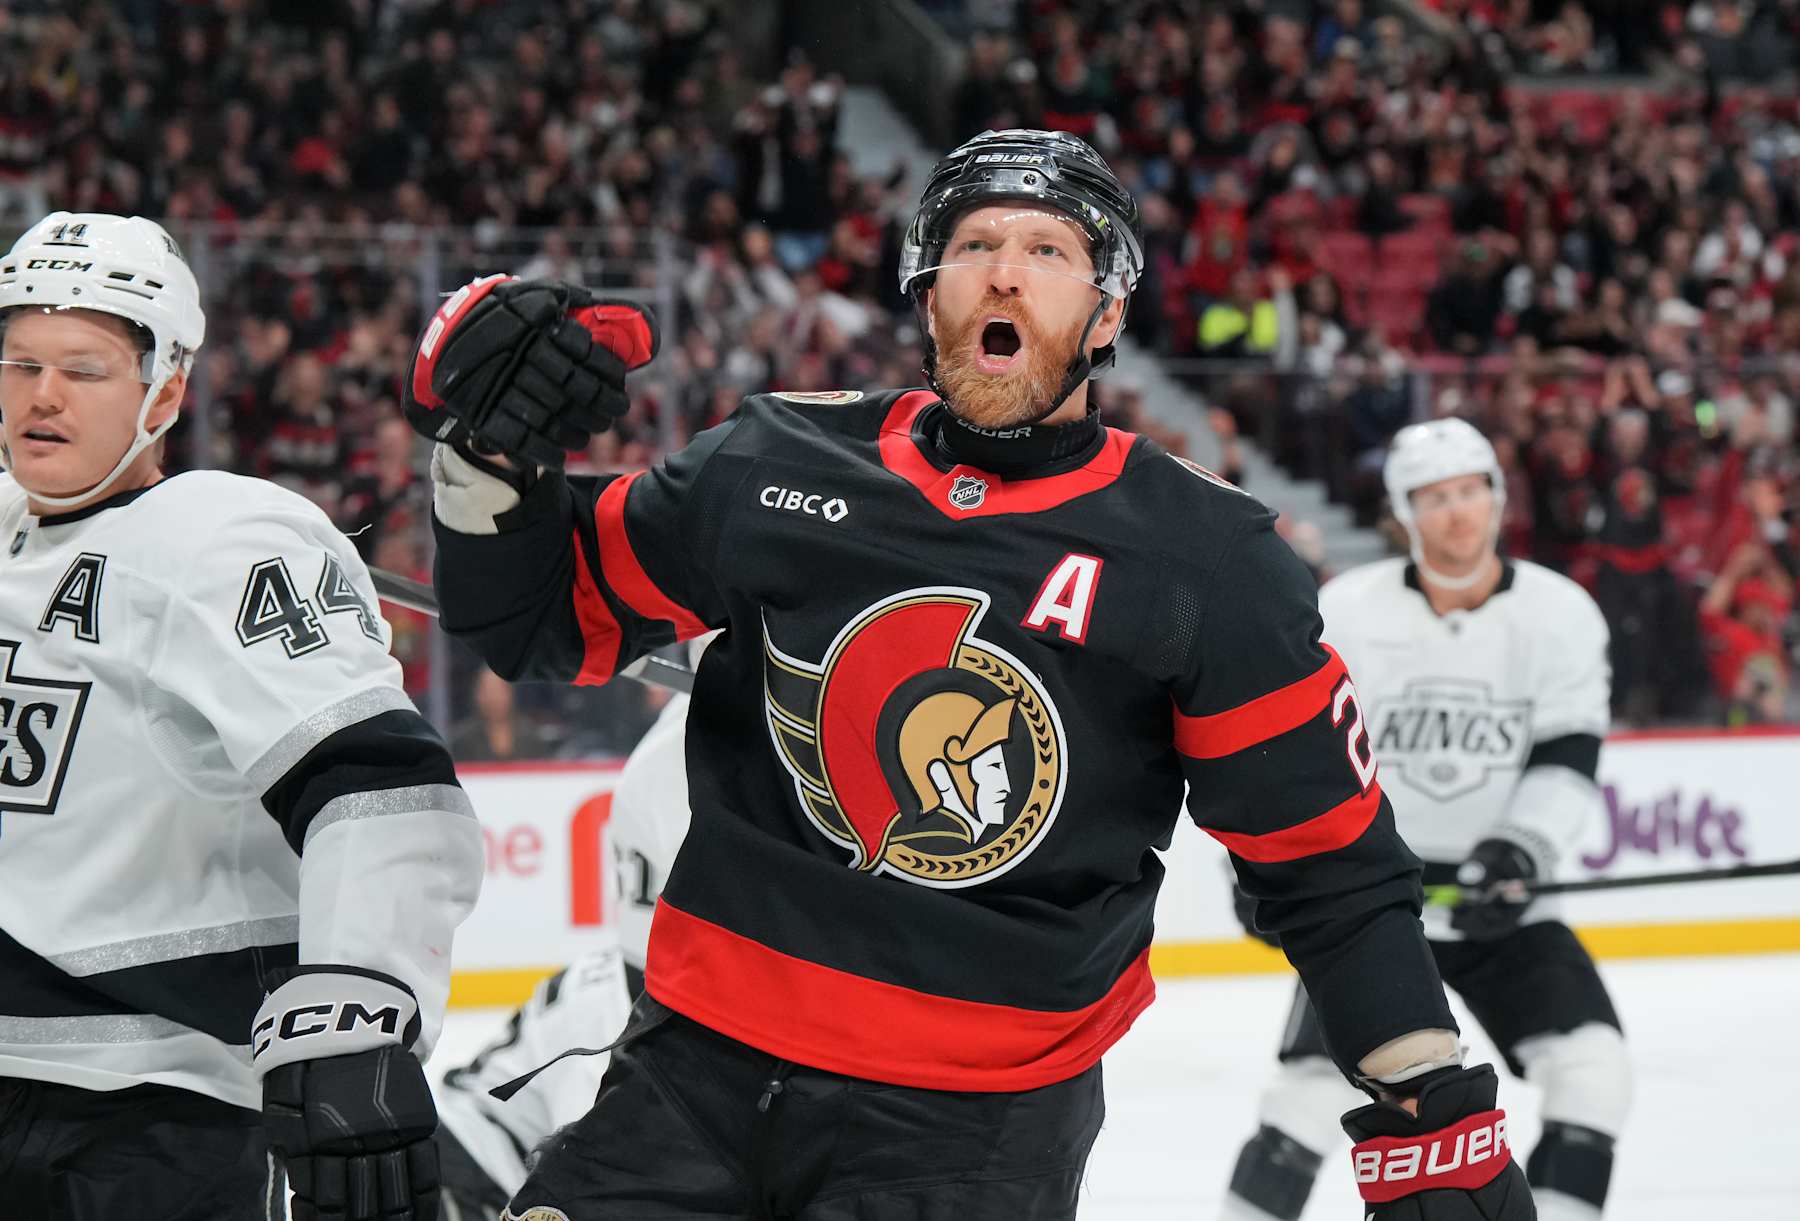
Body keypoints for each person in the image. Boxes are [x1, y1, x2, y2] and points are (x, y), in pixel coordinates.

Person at [408, 131, 1532, 1220]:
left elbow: (1328, 868)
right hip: (687, 1082)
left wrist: (1427, 1100)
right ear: (925, 288)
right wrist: (484, 460)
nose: (1004, 271)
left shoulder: (1208, 561)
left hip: (974, 1135)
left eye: (1050, 250)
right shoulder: (771, 463)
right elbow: (541, 617)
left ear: (1109, 310)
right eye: (973, 244)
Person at [0, 212, 484, 1221]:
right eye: (20, 364)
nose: (40, 396)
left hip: (162, 1111)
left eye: (83, 370)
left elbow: (383, 788)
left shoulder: (220, 544)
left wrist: (359, 1014)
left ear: (164, 392)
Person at [1220, 419, 1632, 1221]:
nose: (1458, 513)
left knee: (1595, 1073)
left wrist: (1521, 849)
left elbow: (1567, 755)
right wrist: (1259, 873)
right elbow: (1287, 755)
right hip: (1372, 905)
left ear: (1498, 497)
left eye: (1472, 490)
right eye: (1435, 498)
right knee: (1303, 1100)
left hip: (1503, 899)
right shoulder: (1347, 608)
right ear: (1404, 514)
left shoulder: (1561, 612)